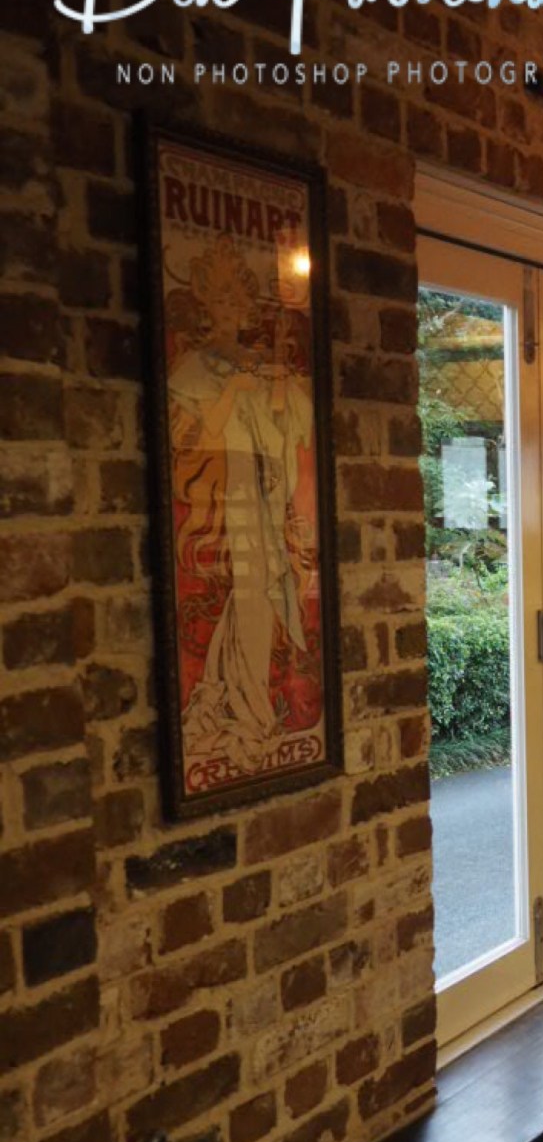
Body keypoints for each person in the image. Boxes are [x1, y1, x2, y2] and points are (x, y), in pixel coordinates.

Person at [170, 233, 314, 779]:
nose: (233, 311)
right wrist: (239, 390)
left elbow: (288, 425)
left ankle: (228, 697)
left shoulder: (251, 364)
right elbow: (198, 437)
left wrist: (273, 388)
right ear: (206, 305)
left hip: (262, 494)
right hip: (228, 497)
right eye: (223, 301)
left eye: (239, 300)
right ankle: (248, 712)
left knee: (256, 598)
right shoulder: (196, 371)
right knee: (252, 596)